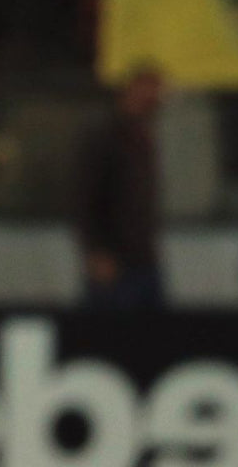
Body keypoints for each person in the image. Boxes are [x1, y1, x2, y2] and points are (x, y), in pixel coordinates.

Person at [76, 64, 165, 308]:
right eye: (150, 87)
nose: (155, 96)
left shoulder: (144, 136)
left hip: (144, 257)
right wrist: (97, 250)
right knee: (111, 334)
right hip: (114, 259)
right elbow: (86, 198)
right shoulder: (106, 136)